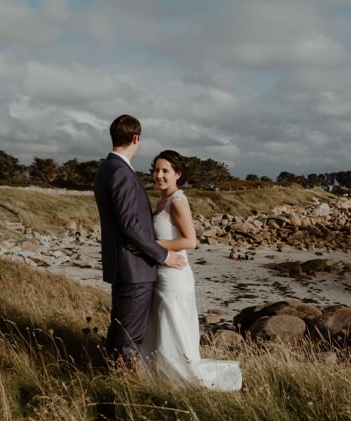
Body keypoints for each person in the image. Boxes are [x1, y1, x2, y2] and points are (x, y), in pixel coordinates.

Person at [140, 150, 243, 391]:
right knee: (161, 328)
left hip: (175, 276)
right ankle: (161, 377)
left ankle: (184, 380)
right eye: (156, 170)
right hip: (162, 272)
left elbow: (190, 241)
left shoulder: (177, 201)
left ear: (178, 174)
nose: (159, 175)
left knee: (174, 327)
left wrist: (150, 247)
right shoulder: (160, 201)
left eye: (165, 171)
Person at [94, 115, 186, 367]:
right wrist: (164, 255)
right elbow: (129, 224)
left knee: (118, 330)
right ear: (136, 138)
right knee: (129, 339)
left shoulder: (106, 169)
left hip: (121, 265)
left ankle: (109, 374)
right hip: (135, 269)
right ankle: (123, 388)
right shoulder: (121, 172)